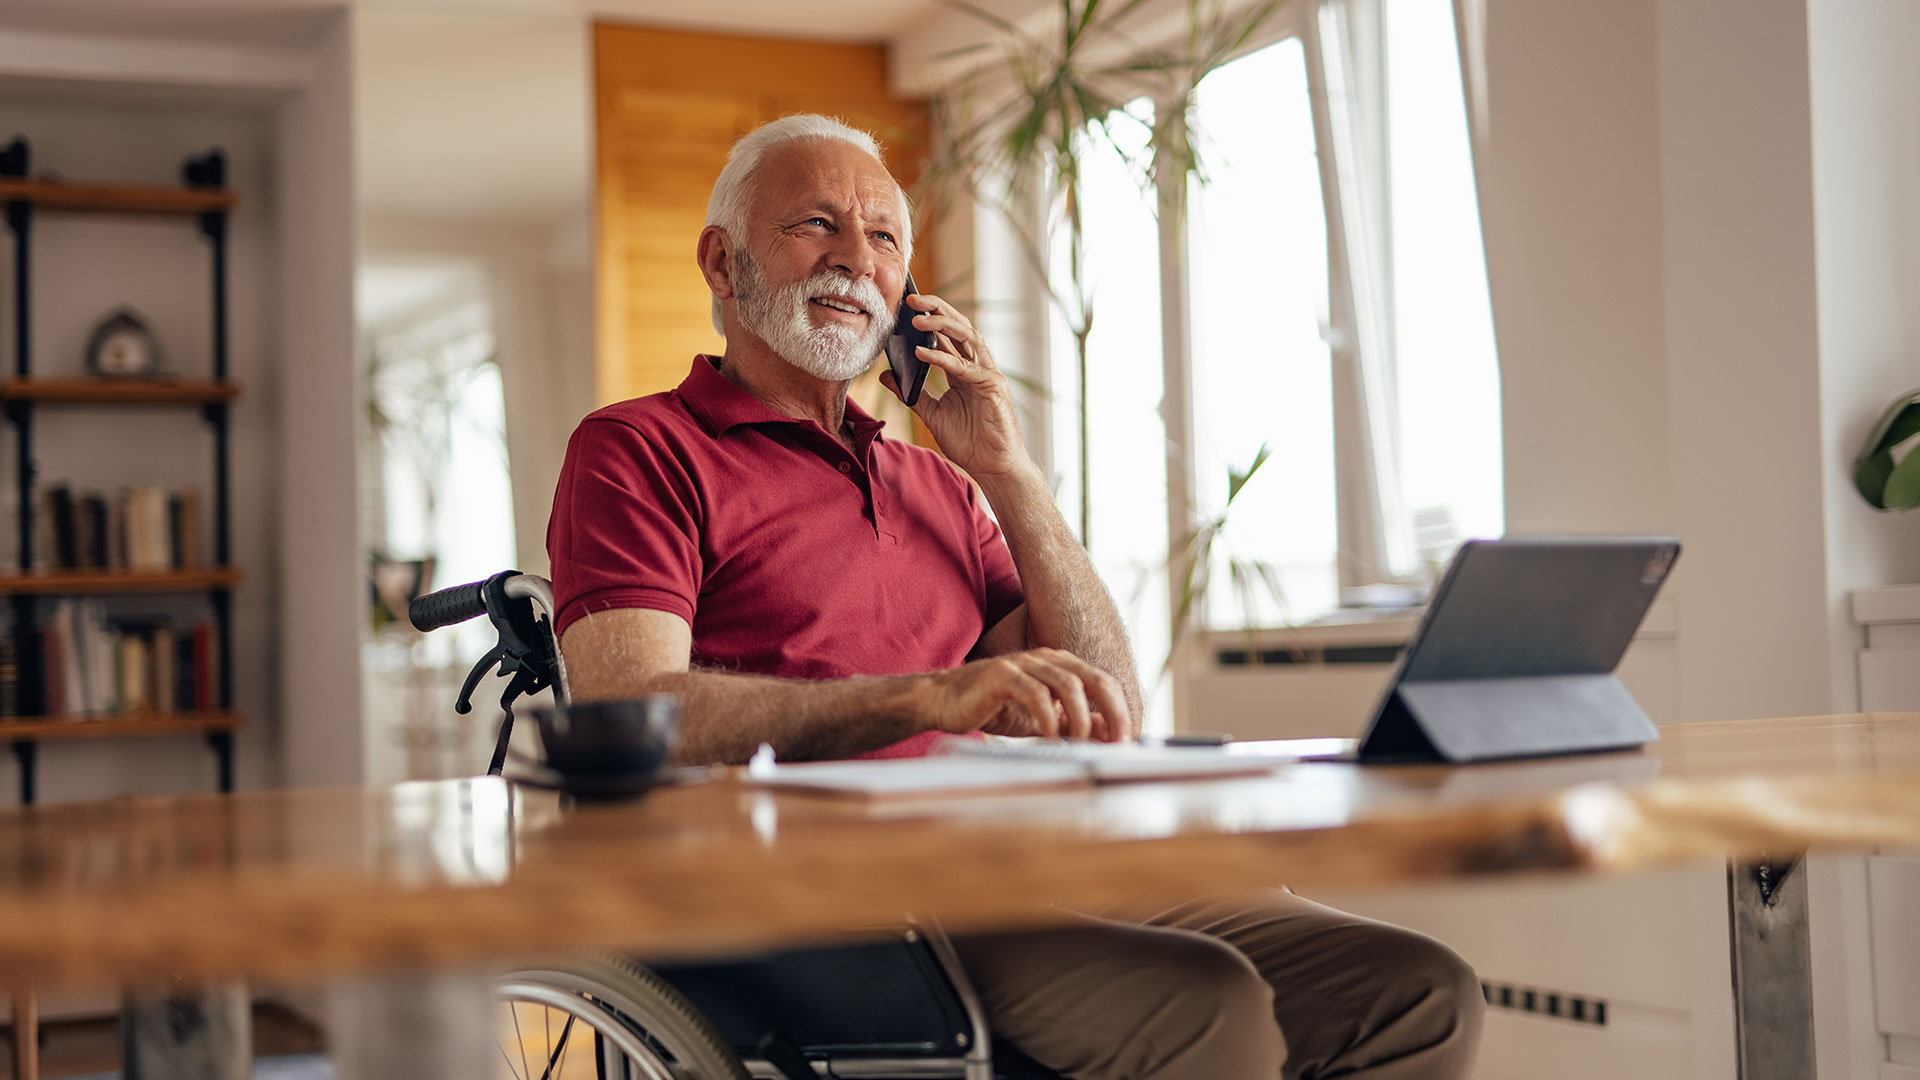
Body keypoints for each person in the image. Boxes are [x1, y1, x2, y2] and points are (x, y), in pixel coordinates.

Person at [548, 114, 1484, 1080]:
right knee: (1208, 1005)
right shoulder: (638, 450)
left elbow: (1104, 699)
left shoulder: (946, 485)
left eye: (883, 238)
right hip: (822, 904)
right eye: (814, 225)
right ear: (721, 261)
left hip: (1021, 862)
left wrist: (1008, 469)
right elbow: (633, 709)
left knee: (1415, 985)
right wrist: (921, 697)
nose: (855, 261)